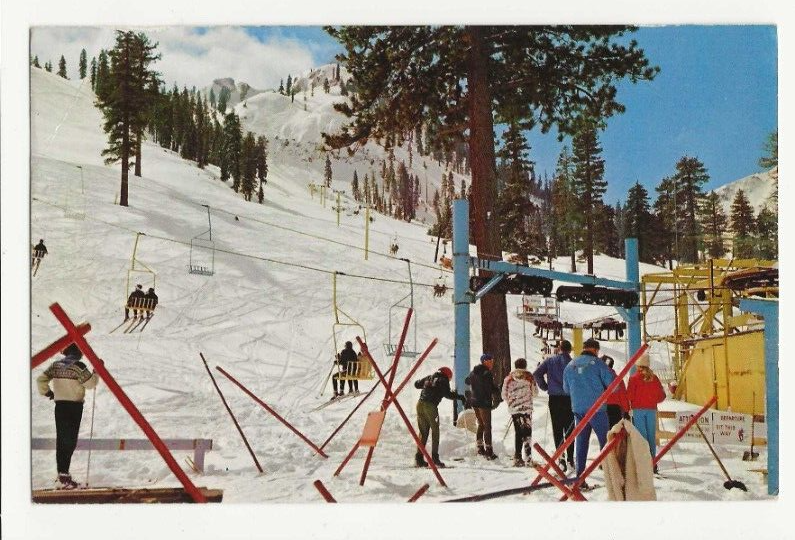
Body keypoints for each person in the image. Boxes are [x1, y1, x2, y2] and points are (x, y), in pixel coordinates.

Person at [36, 343, 99, 489]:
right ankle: (63, 476)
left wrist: (48, 392)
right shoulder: (79, 366)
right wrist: (96, 373)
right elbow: (90, 385)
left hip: (60, 406)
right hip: (75, 407)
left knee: (62, 439)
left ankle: (62, 474)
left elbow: (41, 380)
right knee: (70, 440)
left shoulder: (56, 365)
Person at [562, 338, 615, 483]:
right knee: (605, 441)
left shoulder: (570, 365)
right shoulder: (599, 364)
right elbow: (613, 384)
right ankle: (610, 475)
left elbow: (566, 389)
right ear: (596, 350)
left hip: (578, 409)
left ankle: (580, 476)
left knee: (581, 442)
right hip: (597, 409)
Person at [533, 339, 575, 472]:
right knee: (570, 429)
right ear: (570, 350)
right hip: (569, 398)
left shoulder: (550, 361)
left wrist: (545, 386)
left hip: (554, 398)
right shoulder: (573, 363)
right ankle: (571, 459)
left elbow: (537, 373)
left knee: (557, 429)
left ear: (559, 348)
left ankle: (560, 458)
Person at [413, 367, 462, 468]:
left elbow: (416, 384)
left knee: (423, 433)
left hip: (420, 405)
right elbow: (447, 394)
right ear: (447, 375)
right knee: (435, 432)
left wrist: (426, 383)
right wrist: (459, 397)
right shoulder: (443, 380)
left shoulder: (430, 377)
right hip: (430, 406)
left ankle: (419, 459)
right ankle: (435, 459)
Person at [626, 353, 666, 469]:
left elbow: (630, 396)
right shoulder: (654, 378)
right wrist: (652, 400)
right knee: (651, 437)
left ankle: (643, 464)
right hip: (651, 410)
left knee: (642, 437)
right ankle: (653, 462)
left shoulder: (633, 379)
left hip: (638, 410)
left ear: (638, 365)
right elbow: (661, 396)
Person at [501, 358, 538, 467]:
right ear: (525, 366)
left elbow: (503, 395)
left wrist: (512, 401)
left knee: (518, 432)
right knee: (527, 432)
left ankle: (517, 457)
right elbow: (535, 392)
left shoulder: (509, 378)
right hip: (526, 409)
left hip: (514, 409)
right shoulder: (529, 377)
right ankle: (528, 457)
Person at [465, 353, 500, 459]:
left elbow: (466, 381)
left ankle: (480, 448)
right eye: (490, 361)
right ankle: (489, 451)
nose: (492, 363)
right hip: (484, 403)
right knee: (487, 426)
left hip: (475, 402)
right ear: (485, 361)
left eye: (492, 361)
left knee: (481, 424)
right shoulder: (487, 373)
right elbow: (490, 388)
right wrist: (497, 390)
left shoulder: (473, 372)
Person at [602, 355, 630, 429]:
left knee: (604, 433)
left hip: (600, 409)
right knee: (615, 432)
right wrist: (626, 411)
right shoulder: (617, 378)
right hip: (615, 409)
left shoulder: (596, 378)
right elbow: (623, 395)